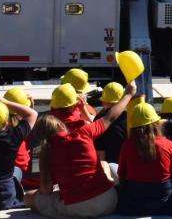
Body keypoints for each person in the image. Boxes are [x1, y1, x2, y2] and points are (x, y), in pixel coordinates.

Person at [26, 81, 135, 218]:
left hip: (76, 207)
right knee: (104, 163)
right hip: (109, 200)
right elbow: (110, 117)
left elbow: (46, 189)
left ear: (53, 110)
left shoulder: (47, 149)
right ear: (76, 105)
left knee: (28, 197)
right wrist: (128, 94)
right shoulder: (85, 131)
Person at [116, 102, 172, 215]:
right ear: (156, 123)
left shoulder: (126, 145)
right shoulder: (168, 144)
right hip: (164, 199)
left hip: (135, 199)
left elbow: (121, 175)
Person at [93, 81, 129, 164]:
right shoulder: (128, 117)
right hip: (128, 162)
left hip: (110, 164)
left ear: (104, 101)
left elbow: (100, 152)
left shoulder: (99, 120)